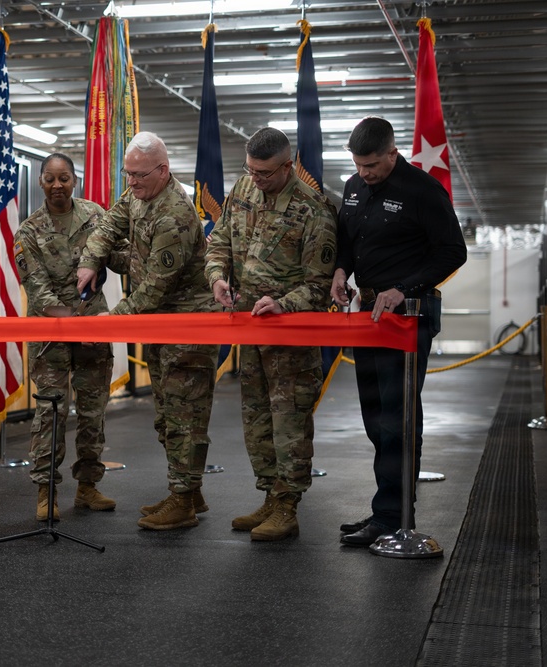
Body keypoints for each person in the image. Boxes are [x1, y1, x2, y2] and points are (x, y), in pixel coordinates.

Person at [331, 116, 467, 546]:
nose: (365, 173)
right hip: (368, 313)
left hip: (408, 314)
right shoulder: (354, 188)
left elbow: (453, 251)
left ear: (393, 153)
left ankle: (393, 518)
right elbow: (348, 238)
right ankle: (384, 511)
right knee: (375, 417)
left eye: (372, 164)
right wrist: (341, 270)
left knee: (398, 419)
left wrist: (403, 288)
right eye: (358, 165)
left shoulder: (422, 191)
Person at [77, 131, 218, 531]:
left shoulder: (175, 214)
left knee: (184, 416)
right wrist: (91, 259)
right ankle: (187, 490)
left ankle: (184, 501)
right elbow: (108, 224)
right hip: (159, 323)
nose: (132, 183)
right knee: (167, 416)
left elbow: (157, 285)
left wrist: (115, 318)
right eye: (128, 174)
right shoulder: (138, 193)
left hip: (188, 327)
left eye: (139, 176)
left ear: (163, 170)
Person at [206, 127, 338, 541]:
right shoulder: (244, 187)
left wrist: (285, 303)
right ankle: (268, 495)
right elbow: (220, 240)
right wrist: (216, 277)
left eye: (264, 173)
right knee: (257, 420)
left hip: (291, 342)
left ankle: (288, 505)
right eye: (251, 171)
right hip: (250, 331)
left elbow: (320, 286)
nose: (256, 180)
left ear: (287, 165)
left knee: (289, 424)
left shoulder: (314, 210)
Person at [14, 153, 129, 521]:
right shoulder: (29, 230)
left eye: (64, 178)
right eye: (50, 179)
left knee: (93, 411)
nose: (57, 185)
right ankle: (45, 493)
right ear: (41, 182)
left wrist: (150, 248)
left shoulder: (97, 217)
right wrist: (68, 315)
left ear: (75, 180)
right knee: (51, 413)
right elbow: (37, 286)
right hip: (50, 335)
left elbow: (120, 258)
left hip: (93, 332)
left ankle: (88, 486)